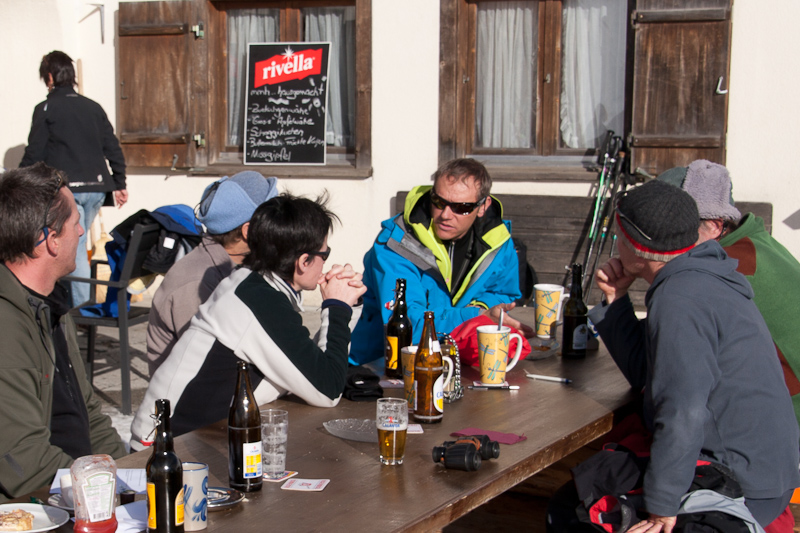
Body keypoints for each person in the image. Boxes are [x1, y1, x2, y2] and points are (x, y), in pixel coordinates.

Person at [558, 180, 799, 532]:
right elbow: (649, 376)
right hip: (764, 466)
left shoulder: (681, 299)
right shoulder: (703, 272)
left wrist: (662, 507)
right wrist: (616, 300)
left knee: (568, 511)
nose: (615, 242)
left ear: (638, 249)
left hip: (741, 481)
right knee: (587, 482)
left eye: (619, 235)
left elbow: (682, 411)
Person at [130, 193, 366, 450]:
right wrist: (337, 307)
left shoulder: (253, 284)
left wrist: (346, 306)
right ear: (303, 261)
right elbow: (327, 389)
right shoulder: (257, 302)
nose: (326, 262)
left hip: (200, 438)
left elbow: (308, 367)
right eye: (325, 253)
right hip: (164, 452)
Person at [0, 163, 126, 502]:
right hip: (38, 508)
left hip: (80, 494)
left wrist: (136, 473)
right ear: (50, 239)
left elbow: (88, 412)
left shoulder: (51, 305)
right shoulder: (5, 326)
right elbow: (23, 461)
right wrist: (107, 494)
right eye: (75, 222)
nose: (83, 232)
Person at [657, 159, 800, 434]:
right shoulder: (754, 244)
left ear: (713, 225)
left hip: (782, 431)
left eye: (674, 226)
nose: (662, 237)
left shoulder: (728, 268)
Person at [349, 158, 531, 365]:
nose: (445, 215)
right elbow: (410, 325)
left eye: (461, 207)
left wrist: (483, 309)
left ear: (483, 207)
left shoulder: (498, 243)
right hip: (379, 364)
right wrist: (476, 316)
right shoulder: (396, 244)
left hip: (450, 358)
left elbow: (502, 294)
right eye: (438, 201)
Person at [20, 51, 128, 308]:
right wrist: (120, 183)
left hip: (68, 191)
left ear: (49, 76)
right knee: (76, 246)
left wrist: (19, 184)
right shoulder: (92, 107)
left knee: (75, 249)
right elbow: (111, 146)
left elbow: (34, 152)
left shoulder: (46, 109)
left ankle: (81, 311)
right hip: (97, 189)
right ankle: (74, 303)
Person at [145, 171, 279, 376]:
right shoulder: (196, 282)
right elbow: (210, 362)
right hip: (187, 400)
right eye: (274, 221)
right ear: (248, 231)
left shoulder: (241, 264)